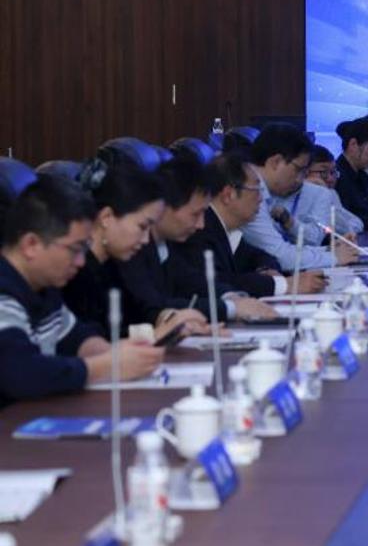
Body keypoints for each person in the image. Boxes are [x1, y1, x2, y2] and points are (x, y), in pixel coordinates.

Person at [1, 176, 163, 407]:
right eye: (75, 249)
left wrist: (111, 352)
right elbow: (20, 373)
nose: (80, 261)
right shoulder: (4, 292)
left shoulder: (44, 288)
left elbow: (75, 336)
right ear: (31, 244)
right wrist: (106, 366)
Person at [125, 156, 279, 323]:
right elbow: (154, 306)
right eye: (195, 214)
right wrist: (231, 308)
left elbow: (191, 281)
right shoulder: (133, 246)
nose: (201, 224)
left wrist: (231, 297)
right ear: (163, 207)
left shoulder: (165, 243)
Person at [63, 160, 205, 341]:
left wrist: (171, 321)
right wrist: (155, 334)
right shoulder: (74, 273)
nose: (146, 240)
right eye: (142, 226)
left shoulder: (113, 264)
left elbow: (138, 316)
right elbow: (92, 343)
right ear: (107, 217)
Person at [179, 152, 316, 303]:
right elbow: (216, 282)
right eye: (256, 190)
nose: (261, 199)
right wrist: (283, 285)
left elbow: (261, 256)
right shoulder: (200, 229)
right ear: (228, 195)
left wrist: (265, 270)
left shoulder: (228, 229)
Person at [241, 124, 357, 268]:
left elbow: (280, 249)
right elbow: (279, 255)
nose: (301, 179)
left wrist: (328, 250)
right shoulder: (246, 190)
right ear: (276, 162)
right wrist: (333, 257)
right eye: (299, 170)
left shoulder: (260, 189)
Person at [273, 143, 363, 240]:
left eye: (333, 172)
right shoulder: (287, 192)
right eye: (323, 172)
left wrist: (325, 196)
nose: (330, 179)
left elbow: (356, 225)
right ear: (305, 171)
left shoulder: (330, 193)